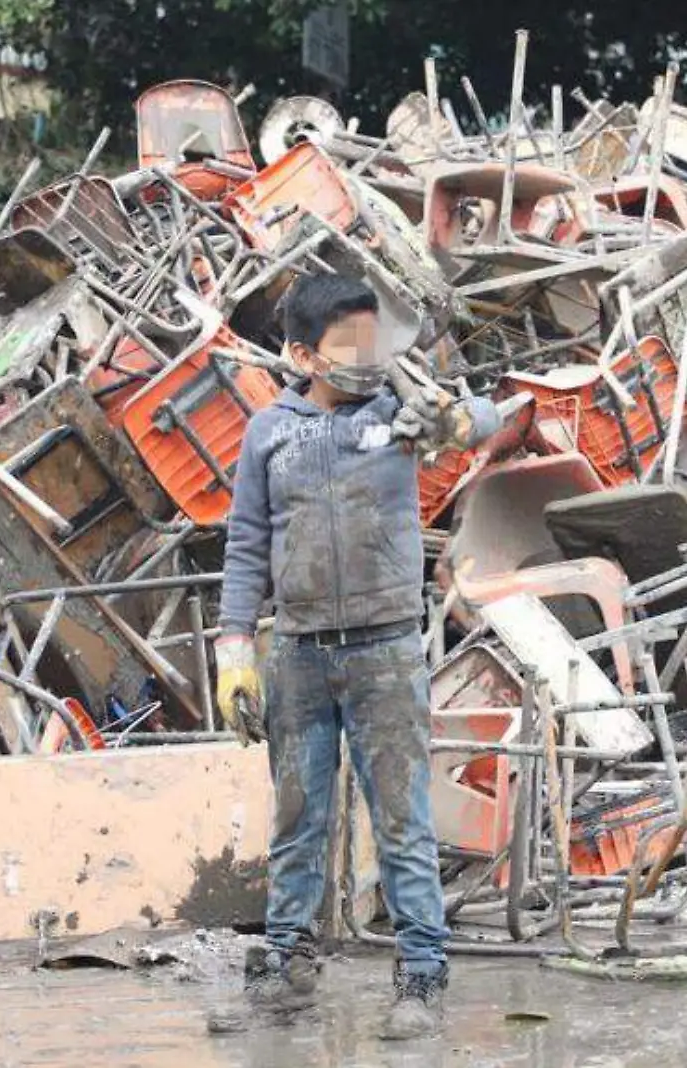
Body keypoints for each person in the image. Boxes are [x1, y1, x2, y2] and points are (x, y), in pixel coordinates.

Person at [211, 272, 500, 1040]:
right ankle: (286, 971)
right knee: (297, 820)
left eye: (374, 341)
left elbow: (490, 413)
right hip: (300, 655)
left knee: (401, 820)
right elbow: (244, 547)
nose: (368, 358)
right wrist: (235, 649)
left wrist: (454, 422)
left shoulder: (401, 418)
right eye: (348, 346)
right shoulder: (269, 432)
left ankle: (421, 977)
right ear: (303, 354)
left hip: (386, 651)